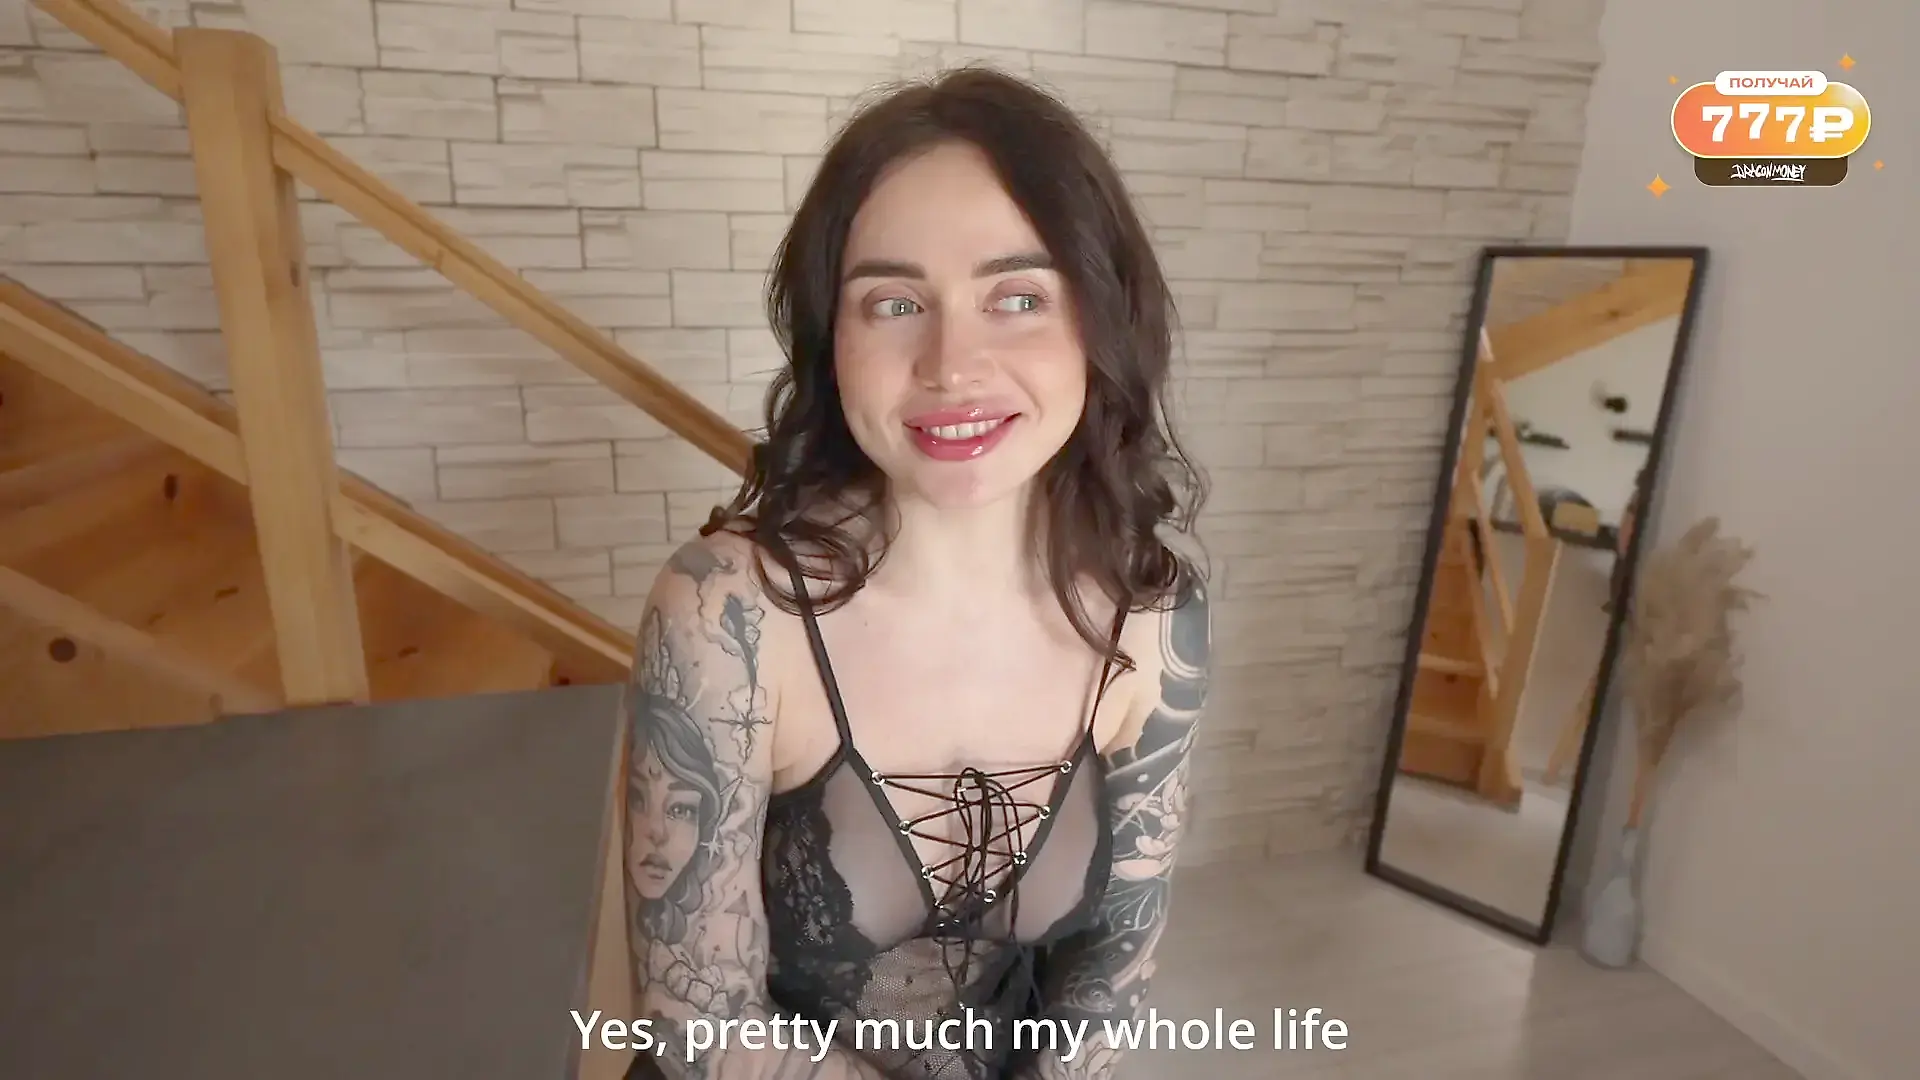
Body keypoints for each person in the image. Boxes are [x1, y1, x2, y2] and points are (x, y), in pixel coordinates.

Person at [621, 67, 1213, 1080]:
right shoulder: (729, 613)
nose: (951, 364)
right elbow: (696, 1022)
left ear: (1102, 320)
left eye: (1018, 297)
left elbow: (1115, 973)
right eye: (894, 303)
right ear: (832, 341)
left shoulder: (1153, 615)